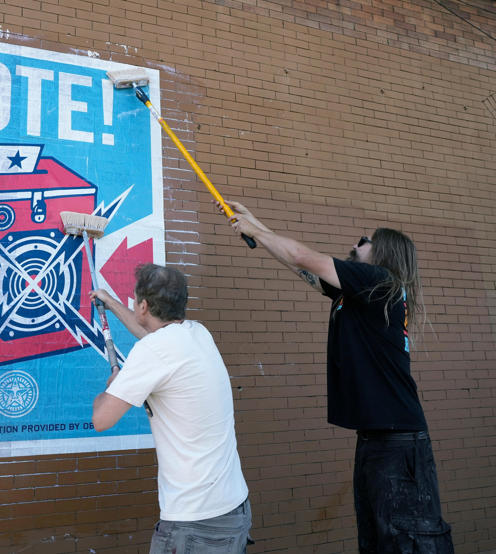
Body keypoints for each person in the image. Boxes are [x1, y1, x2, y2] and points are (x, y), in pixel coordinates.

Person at [223, 200, 453, 553]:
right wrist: (257, 226)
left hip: (398, 445)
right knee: (377, 542)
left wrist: (256, 230)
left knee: (407, 544)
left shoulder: (380, 281)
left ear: (384, 254)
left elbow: (302, 256)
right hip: (378, 441)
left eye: (366, 239)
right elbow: (302, 266)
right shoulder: (357, 291)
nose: (358, 242)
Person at [91, 263, 252, 553]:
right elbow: (152, 338)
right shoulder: (197, 334)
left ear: (143, 306)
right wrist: (111, 303)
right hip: (233, 510)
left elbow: (101, 419)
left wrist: (112, 386)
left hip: (195, 524)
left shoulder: (154, 351)